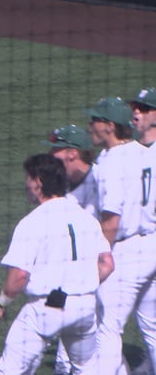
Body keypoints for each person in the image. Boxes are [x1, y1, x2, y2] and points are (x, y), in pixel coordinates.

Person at [0, 154, 114, 374]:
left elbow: (18, 276)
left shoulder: (32, 222)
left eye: (28, 179)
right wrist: (80, 282)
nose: (25, 185)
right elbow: (107, 264)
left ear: (38, 182)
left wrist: (0, 304)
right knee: (86, 369)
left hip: (47, 310)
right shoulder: (86, 218)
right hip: (85, 307)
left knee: (8, 370)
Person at [85, 96, 156, 374]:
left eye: (95, 121)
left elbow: (111, 220)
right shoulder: (145, 153)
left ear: (110, 126)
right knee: (152, 324)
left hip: (126, 253)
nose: (90, 125)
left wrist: (102, 255)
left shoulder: (112, 162)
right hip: (152, 243)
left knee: (107, 328)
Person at [39, 124, 100, 375]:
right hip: (70, 277)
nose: (51, 155)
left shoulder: (99, 180)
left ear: (72, 153)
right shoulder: (62, 186)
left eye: (56, 149)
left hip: (100, 271)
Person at [127, 87, 156, 375]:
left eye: (144, 108)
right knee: (149, 320)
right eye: (135, 106)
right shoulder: (132, 150)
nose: (136, 112)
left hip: (147, 245)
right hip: (141, 247)